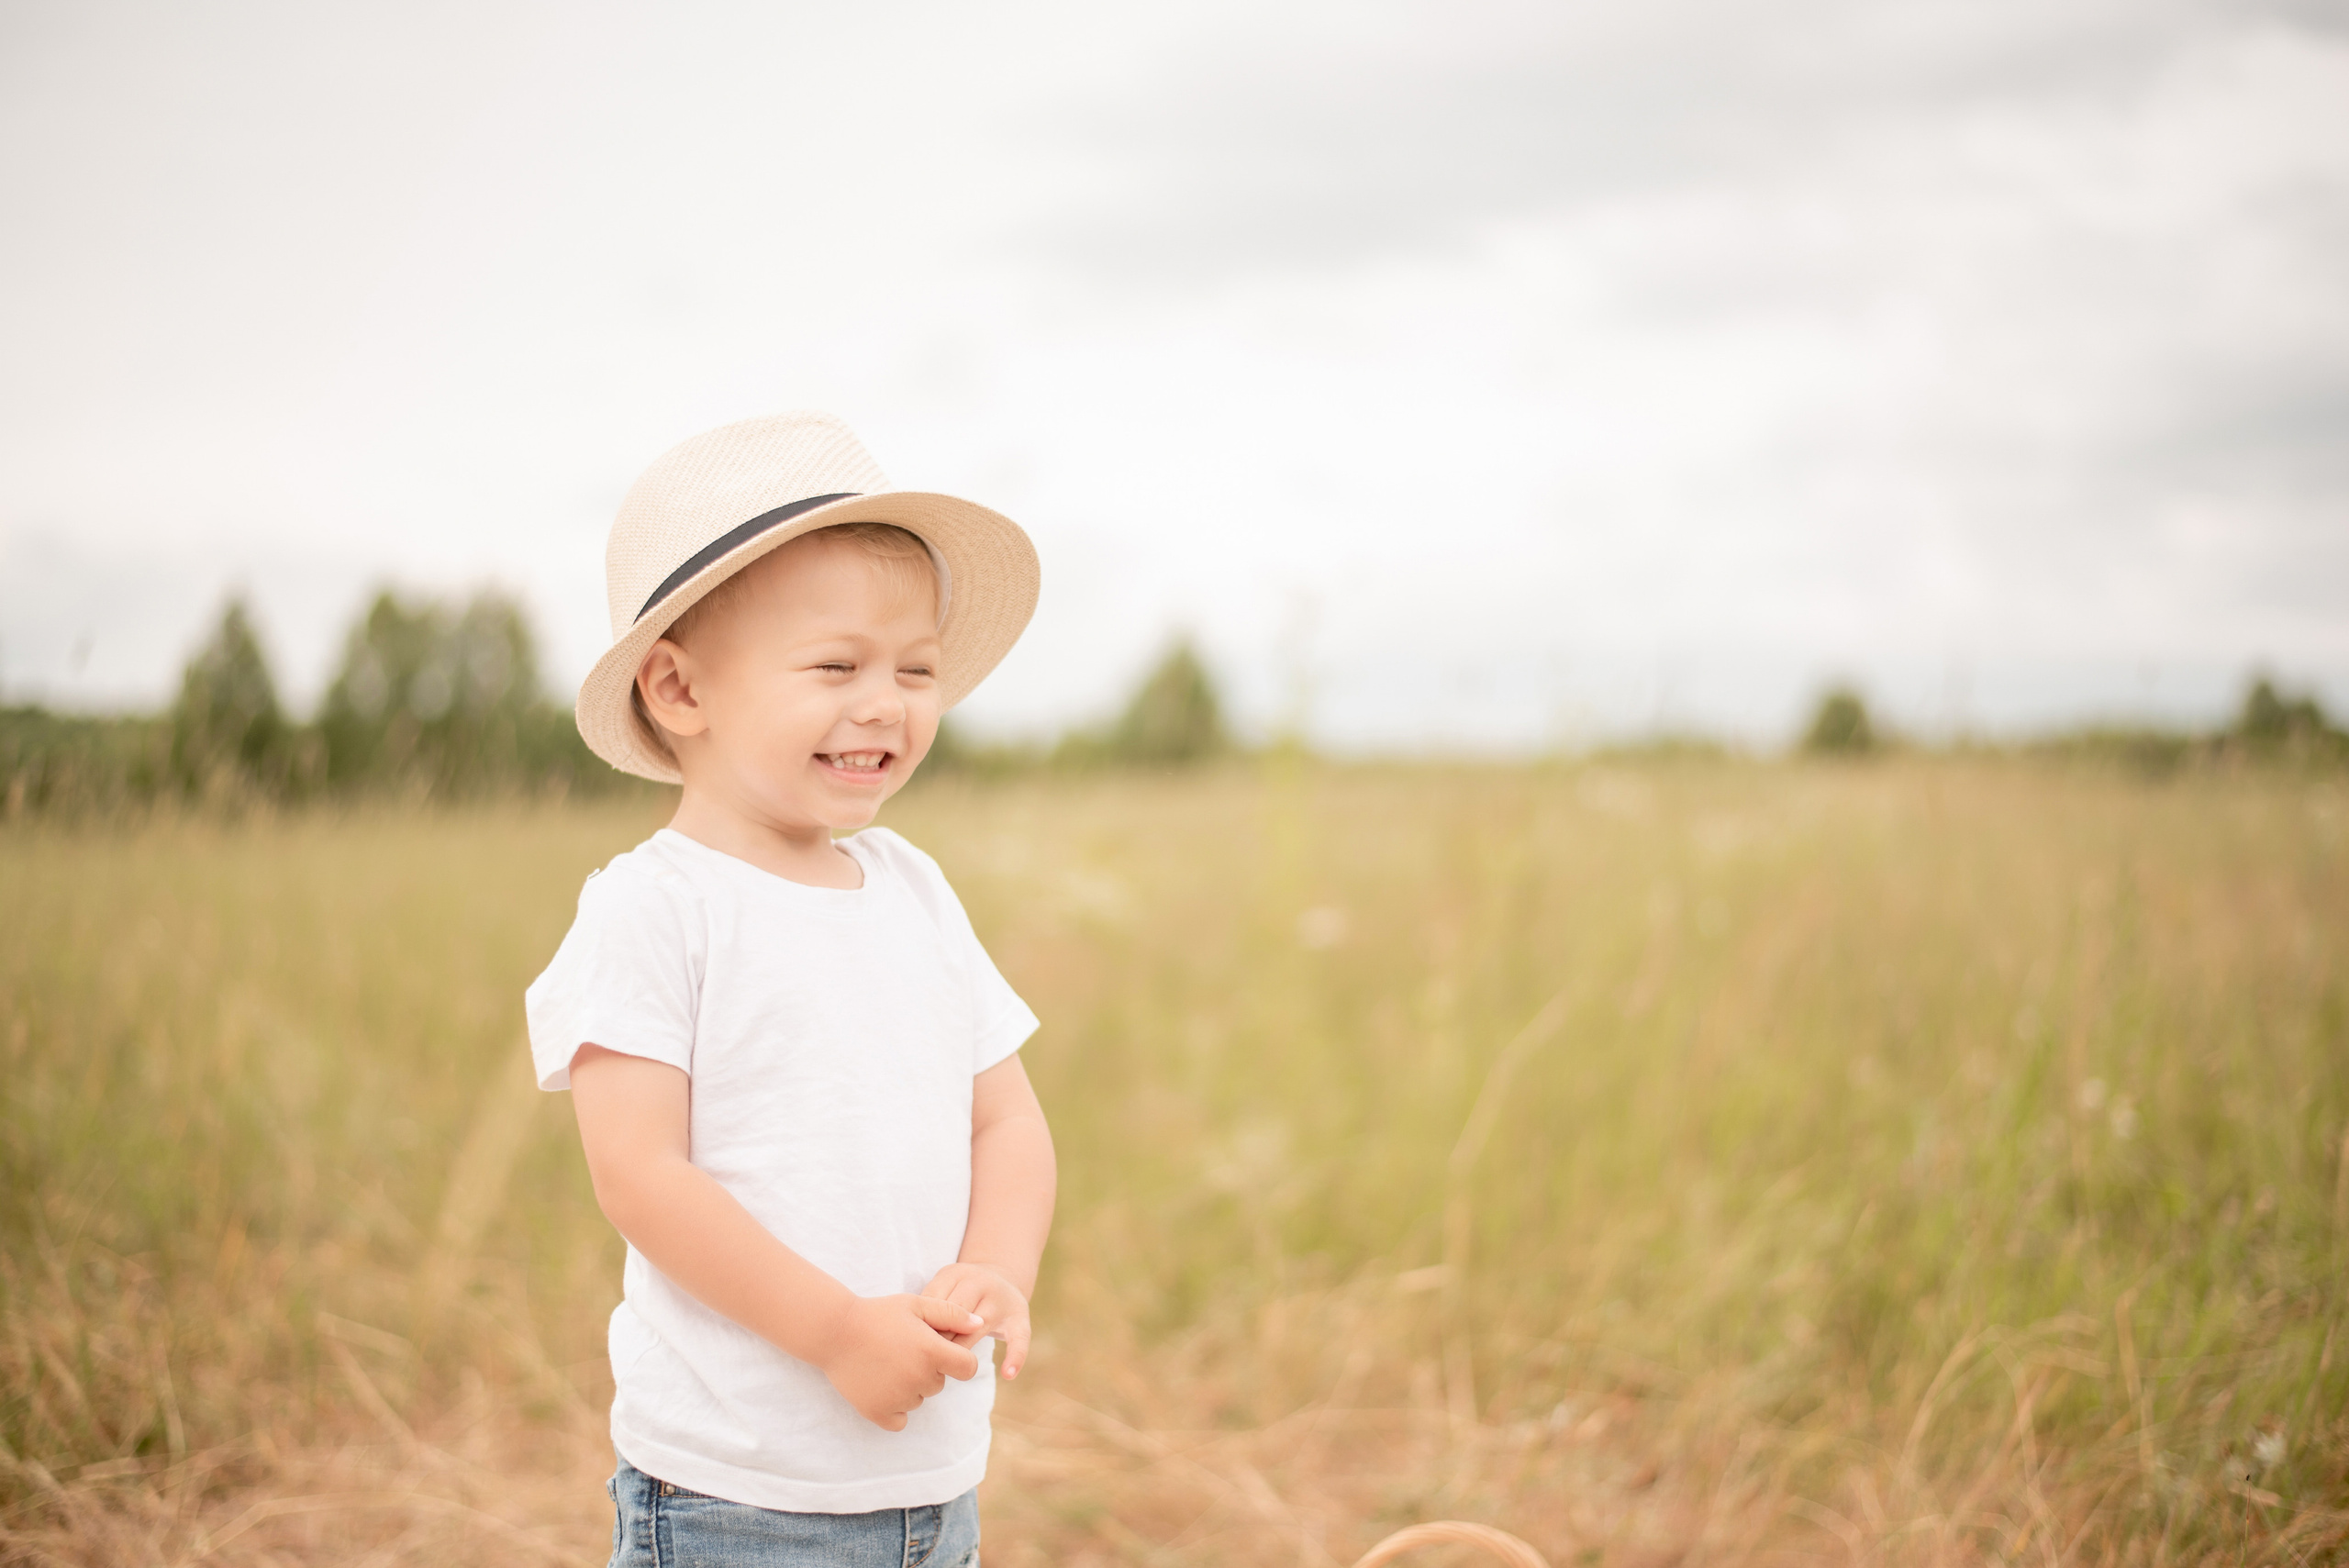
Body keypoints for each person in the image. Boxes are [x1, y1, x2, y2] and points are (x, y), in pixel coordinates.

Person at [525, 412, 1052, 1567]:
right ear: (679, 688)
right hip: (737, 1490)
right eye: (835, 666)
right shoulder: (655, 906)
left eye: (915, 668)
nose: (887, 701)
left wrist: (996, 1266)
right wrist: (837, 1330)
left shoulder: (913, 888)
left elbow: (1006, 1119)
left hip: (930, 1480)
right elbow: (641, 1174)